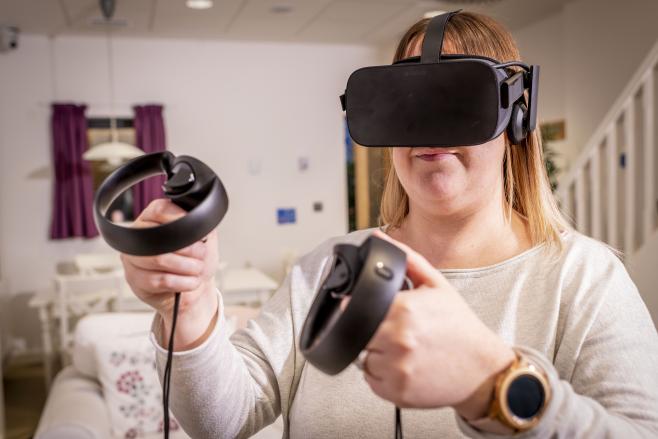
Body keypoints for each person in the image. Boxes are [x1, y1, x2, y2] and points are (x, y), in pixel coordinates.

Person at [120, 11, 658, 438]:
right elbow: (225, 420)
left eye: (455, 100)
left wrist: (493, 384)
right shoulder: (329, 269)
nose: (425, 127)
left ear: (516, 117)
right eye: (404, 102)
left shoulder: (584, 278)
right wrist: (188, 305)